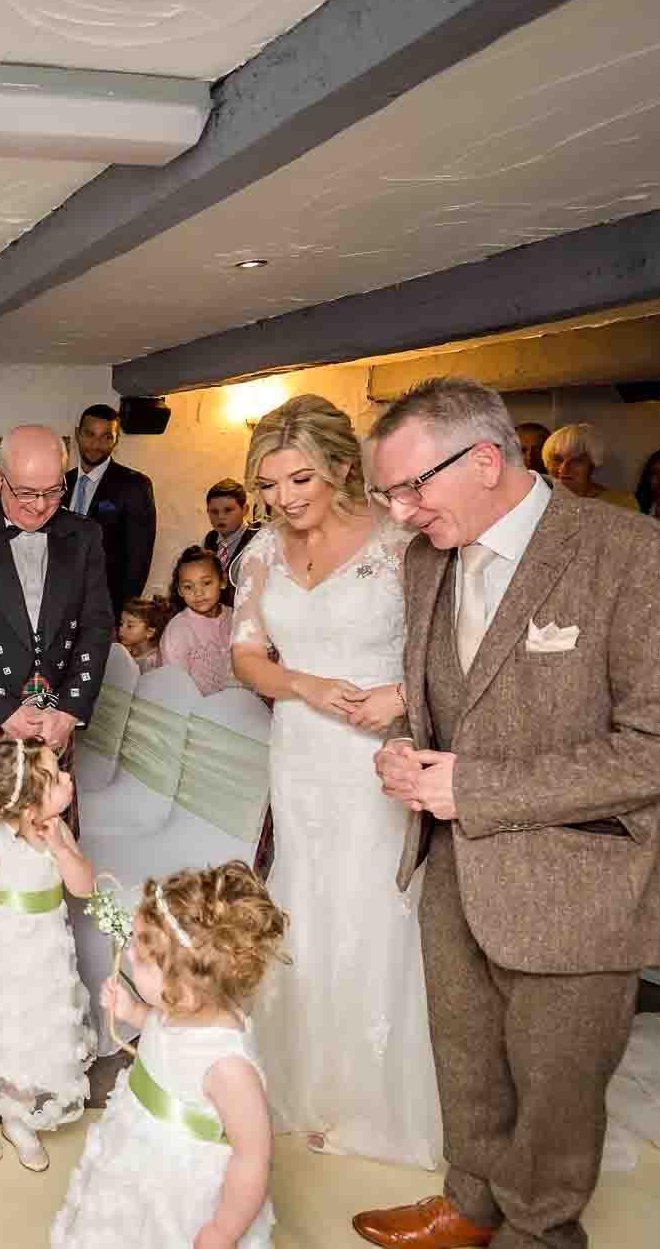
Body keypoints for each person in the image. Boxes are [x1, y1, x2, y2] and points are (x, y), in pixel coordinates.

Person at [358, 376, 660, 1249]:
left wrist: (476, 787)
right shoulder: (426, 561)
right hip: (453, 860)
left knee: (557, 1089)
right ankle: (471, 1205)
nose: (402, 513)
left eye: (413, 488)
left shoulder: (631, 555)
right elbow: (458, 697)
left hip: (582, 878)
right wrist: (407, 743)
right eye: (388, 493)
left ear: (485, 460)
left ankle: (539, 1231)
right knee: (468, 1062)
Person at [227, 394, 443, 1171]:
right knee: (303, 898)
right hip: (300, 749)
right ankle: (302, 1079)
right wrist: (305, 686)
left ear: (343, 469)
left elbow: (448, 654)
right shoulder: (258, 551)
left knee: (374, 906)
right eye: (270, 485)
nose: (283, 500)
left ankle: (373, 1094)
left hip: (378, 754)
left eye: (300, 482)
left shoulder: (402, 544)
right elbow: (246, 655)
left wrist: (401, 701)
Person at [52, 862, 286, 1249]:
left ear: (184, 991)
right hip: (137, 1143)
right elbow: (164, 1030)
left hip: (178, 1181)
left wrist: (222, 1232)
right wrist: (132, 1013)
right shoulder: (179, 1008)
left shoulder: (229, 1068)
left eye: (142, 958)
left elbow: (252, 1157)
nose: (128, 954)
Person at [0, 424, 115, 849]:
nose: (40, 506)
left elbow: (96, 626)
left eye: (53, 492)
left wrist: (69, 711)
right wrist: (1, 711)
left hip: (52, 710)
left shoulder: (85, 536)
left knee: (46, 844)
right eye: (26, 493)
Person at [0, 737, 96, 1172]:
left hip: (44, 957)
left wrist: (63, 852)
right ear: (30, 802)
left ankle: (17, 1111)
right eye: (58, 776)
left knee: (31, 1029)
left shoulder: (59, 832)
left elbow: (84, 888)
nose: (69, 778)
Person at [67, 404, 158, 615]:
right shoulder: (62, 483)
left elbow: (139, 558)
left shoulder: (134, 485)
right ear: (78, 434)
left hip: (104, 608)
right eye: (90, 434)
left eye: (106, 437)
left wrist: (120, 615)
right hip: (60, 605)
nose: (96, 444)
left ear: (116, 440)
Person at [163, 546, 237, 695]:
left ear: (222, 581)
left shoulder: (237, 617)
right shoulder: (178, 630)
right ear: (179, 591)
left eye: (206, 583)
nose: (198, 593)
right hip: (197, 712)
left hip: (239, 707)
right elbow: (174, 684)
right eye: (188, 587)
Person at [541, 423, 638, 511]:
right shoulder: (536, 501)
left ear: (593, 463)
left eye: (576, 460)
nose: (563, 468)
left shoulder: (621, 504)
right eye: (557, 459)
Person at [203, 478, 260, 602]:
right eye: (214, 511)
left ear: (245, 510)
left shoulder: (258, 539)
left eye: (228, 510)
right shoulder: (211, 539)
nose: (220, 517)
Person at [116, 595, 169, 670]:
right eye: (121, 623)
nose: (121, 629)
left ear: (149, 632)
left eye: (130, 626)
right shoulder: (123, 651)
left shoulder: (152, 663)